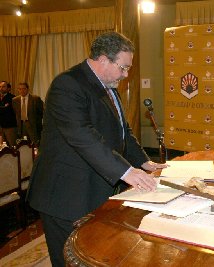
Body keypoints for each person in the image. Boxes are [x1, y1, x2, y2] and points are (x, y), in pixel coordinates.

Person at [27, 32, 167, 266]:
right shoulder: (68, 85)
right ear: (103, 59)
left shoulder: (109, 86)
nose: (126, 74)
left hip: (94, 188)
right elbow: (83, 137)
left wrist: (144, 162)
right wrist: (127, 172)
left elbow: (124, 132)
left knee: (94, 252)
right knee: (69, 259)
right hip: (66, 194)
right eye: (123, 67)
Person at [0, 81, 17, 146]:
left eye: (3, 87)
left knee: (12, 146)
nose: (1, 88)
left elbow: (10, 111)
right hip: (1, 126)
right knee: (3, 147)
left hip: (10, 126)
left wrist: (4, 108)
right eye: (0, 87)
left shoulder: (12, 98)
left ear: (8, 88)